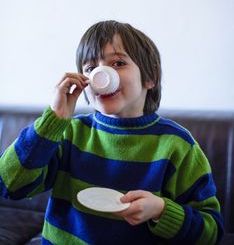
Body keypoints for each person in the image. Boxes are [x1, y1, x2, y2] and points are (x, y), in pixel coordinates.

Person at [0, 20, 224, 244]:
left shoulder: (177, 145)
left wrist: (161, 211)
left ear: (150, 77)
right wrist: (53, 120)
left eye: (117, 63)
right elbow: (9, 184)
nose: (101, 75)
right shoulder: (70, 133)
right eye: (90, 69)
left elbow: (211, 233)